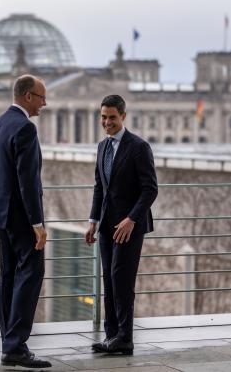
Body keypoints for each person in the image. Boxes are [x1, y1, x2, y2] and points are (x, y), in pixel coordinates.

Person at [0, 75, 52, 369]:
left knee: (8, 275)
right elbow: (27, 181)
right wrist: (37, 223)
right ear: (26, 96)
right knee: (32, 270)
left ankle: (8, 344)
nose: (44, 104)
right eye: (41, 97)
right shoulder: (25, 128)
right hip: (20, 215)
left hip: (0, 213)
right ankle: (17, 346)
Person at [84, 94, 158, 355]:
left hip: (129, 227)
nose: (107, 122)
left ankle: (125, 337)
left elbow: (150, 189)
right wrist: (93, 221)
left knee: (121, 279)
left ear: (123, 116)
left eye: (112, 117)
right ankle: (111, 335)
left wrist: (132, 218)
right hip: (106, 226)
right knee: (108, 279)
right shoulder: (102, 147)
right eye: (103, 117)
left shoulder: (138, 147)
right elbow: (99, 188)